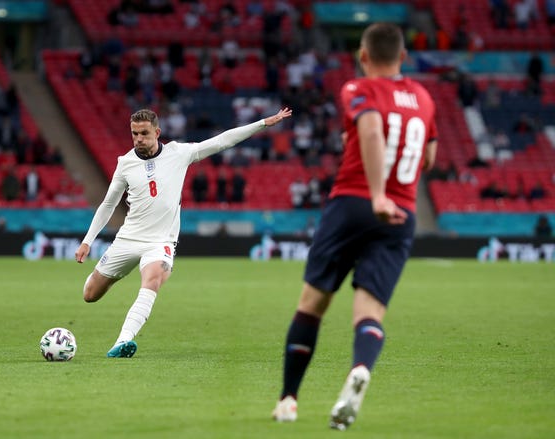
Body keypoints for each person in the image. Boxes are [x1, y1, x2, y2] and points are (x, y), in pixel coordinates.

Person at [272, 23, 438, 430]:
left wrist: (377, 193)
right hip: (401, 215)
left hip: (352, 203)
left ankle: (289, 400)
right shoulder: (423, 98)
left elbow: (369, 130)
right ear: (403, 57)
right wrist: (395, 190)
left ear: (363, 57)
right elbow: (429, 158)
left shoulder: (357, 89)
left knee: (312, 304)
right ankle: (360, 367)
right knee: (370, 311)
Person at [75, 107, 292, 358]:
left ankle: (123, 341)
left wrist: (264, 123)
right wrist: (87, 241)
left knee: (153, 278)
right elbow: (108, 204)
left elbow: (222, 141)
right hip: (128, 238)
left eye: (144, 133)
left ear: (157, 132)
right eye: (134, 134)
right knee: (90, 294)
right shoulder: (125, 164)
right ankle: (114, 276)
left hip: (161, 241)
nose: (138, 139)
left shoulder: (178, 153)